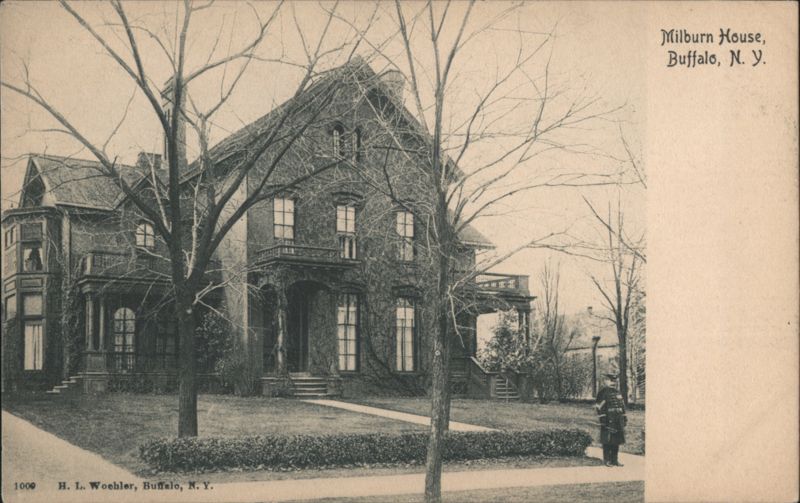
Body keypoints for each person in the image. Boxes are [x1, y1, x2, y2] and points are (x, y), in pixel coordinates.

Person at [596, 372, 627, 467]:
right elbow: (599, 407)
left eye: (615, 380)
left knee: (616, 441)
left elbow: (622, 406)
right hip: (608, 420)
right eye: (611, 380)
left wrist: (624, 417)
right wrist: (603, 419)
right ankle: (607, 460)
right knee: (607, 441)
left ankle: (615, 460)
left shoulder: (618, 392)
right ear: (606, 381)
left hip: (618, 420)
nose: (613, 382)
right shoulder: (603, 392)